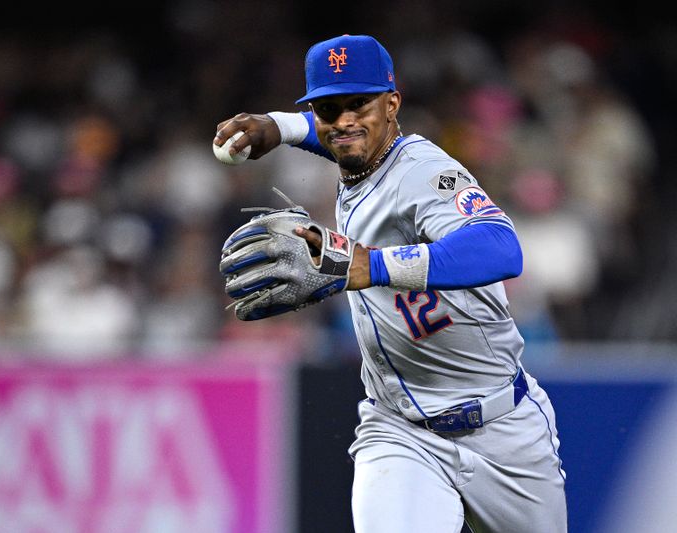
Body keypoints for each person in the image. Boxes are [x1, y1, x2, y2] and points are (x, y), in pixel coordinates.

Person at [214, 34, 567, 533]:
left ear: (393, 102)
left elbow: (500, 248)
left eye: (359, 103)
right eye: (328, 108)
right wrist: (280, 127)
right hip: (399, 432)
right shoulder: (360, 155)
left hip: (502, 429)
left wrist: (368, 266)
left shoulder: (426, 174)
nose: (345, 120)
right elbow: (343, 139)